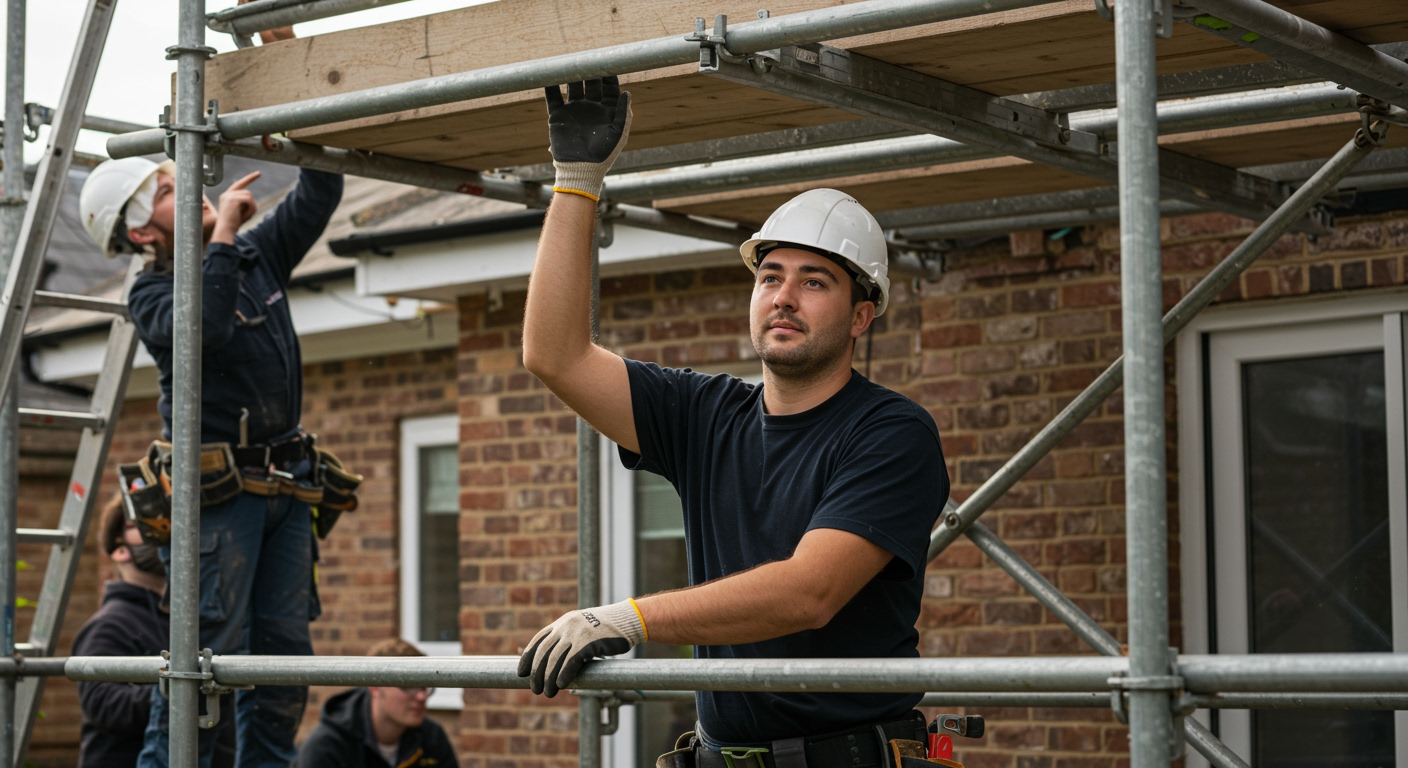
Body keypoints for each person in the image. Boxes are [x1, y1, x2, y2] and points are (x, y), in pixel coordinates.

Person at [516, 77, 949, 765]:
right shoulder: (706, 415)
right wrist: (576, 182)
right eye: (770, 276)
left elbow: (809, 592)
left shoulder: (891, 433)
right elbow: (554, 355)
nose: (784, 297)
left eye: (814, 281)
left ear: (861, 316)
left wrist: (629, 618)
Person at [79, 154, 344, 768]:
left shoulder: (254, 255)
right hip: (219, 502)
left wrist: (299, 130)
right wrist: (222, 234)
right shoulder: (150, 294)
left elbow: (320, 192)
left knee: (283, 663)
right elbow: (205, 327)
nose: (190, 190)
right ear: (141, 232)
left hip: (286, 488)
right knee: (198, 665)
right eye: (166, 192)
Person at [73, 496, 237, 768]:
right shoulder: (110, 624)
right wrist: (178, 690)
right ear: (120, 550)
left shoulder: (188, 622)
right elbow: (101, 703)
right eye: (145, 524)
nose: (165, 532)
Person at [296, 639, 459, 768]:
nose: (421, 696)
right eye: (408, 685)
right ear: (375, 686)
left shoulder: (432, 738)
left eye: (425, 686)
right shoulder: (326, 747)